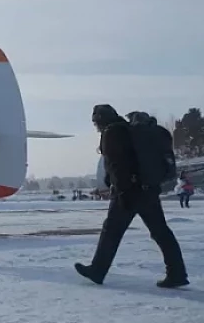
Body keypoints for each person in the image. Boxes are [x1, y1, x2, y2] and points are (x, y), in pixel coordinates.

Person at [75, 104, 188, 288]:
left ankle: (98, 270)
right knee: (161, 232)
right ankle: (177, 272)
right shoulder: (129, 130)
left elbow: (117, 166)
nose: (96, 127)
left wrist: (121, 191)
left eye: (96, 122)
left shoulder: (112, 133)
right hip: (148, 189)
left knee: (111, 231)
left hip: (128, 191)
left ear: (100, 120)